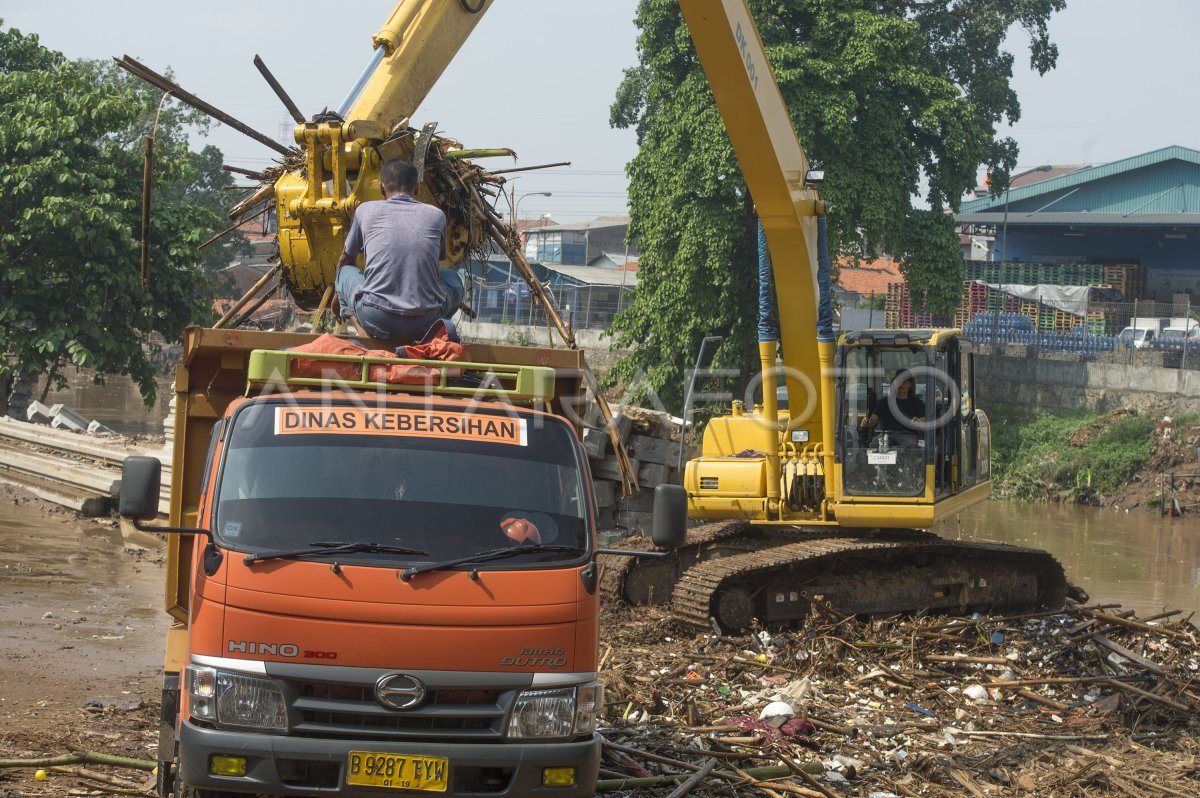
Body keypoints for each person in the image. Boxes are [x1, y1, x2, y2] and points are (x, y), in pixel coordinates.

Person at [335, 159, 465, 341]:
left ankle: (364, 333)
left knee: (344, 272)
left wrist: (338, 295)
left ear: (382, 188)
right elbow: (436, 266)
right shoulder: (437, 215)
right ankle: (432, 336)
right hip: (426, 322)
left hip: (377, 318)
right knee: (452, 278)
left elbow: (345, 259)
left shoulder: (365, 210)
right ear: (417, 189)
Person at [860, 370, 926, 447]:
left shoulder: (918, 403)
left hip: (908, 435)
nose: (901, 384)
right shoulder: (884, 402)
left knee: (910, 444)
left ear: (910, 384)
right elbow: (873, 420)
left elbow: (923, 422)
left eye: (904, 382)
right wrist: (867, 422)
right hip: (887, 434)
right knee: (875, 443)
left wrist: (918, 422)